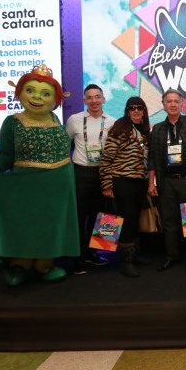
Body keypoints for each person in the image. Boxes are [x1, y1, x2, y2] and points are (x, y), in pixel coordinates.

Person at [0, 64, 80, 286]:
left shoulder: (56, 121)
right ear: (20, 93)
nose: (37, 97)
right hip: (25, 189)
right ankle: (19, 265)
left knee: (51, 227)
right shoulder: (13, 122)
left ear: (55, 99)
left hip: (57, 189)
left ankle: (45, 265)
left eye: (45, 94)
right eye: (30, 90)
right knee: (24, 226)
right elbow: (4, 155)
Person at [148, 89, 186, 271]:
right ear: (163, 104)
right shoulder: (157, 129)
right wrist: (151, 183)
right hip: (166, 182)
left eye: (176, 101)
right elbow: (152, 158)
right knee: (169, 221)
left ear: (182, 103)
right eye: (169, 101)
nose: (173, 104)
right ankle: (171, 256)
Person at [66, 84, 116, 274]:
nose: (94, 101)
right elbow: (66, 145)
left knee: (99, 216)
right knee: (79, 216)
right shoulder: (75, 120)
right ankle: (78, 257)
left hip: (102, 174)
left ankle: (93, 252)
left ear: (103, 99)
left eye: (97, 97)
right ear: (84, 100)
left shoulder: (112, 122)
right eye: (90, 97)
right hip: (80, 173)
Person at [100, 96, 150, 277]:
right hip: (122, 181)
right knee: (127, 220)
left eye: (139, 108)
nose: (136, 111)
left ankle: (134, 254)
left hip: (140, 182)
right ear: (127, 111)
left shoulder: (144, 130)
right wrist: (107, 185)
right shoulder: (119, 128)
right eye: (132, 108)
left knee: (135, 219)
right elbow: (107, 159)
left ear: (144, 111)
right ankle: (125, 261)